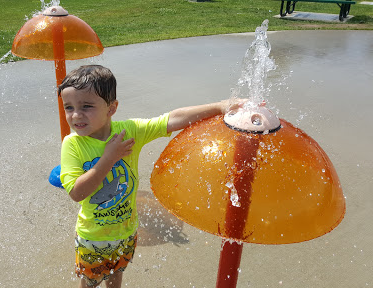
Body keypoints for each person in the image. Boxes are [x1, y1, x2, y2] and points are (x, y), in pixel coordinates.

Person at [59, 65, 243, 288]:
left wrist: (219, 106)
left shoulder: (128, 131)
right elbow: (77, 193)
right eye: (69, 107)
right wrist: (109, 157)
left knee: (117, 275)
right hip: (94, 237)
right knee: (90, 282)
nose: (76, 115)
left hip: (127, 230)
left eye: (86, 106)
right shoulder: (73, 145)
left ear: (111, 108)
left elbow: (170, 120)